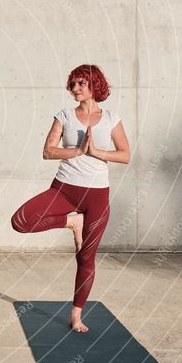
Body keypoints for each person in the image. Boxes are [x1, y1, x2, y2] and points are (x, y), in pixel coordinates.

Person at [10, 64, 130, 332]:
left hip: (97, 195)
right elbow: (48, 151)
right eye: (72, 84)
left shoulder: (111, 118)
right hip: (64, 188)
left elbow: (125, 155)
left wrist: (98, 152)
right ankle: (71, 222)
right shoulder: (64, 115)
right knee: (21, 221)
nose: (74, 89)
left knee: (86, 258)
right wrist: (77, 150)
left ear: (93, 85)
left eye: (80, 84)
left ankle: (76, 314)